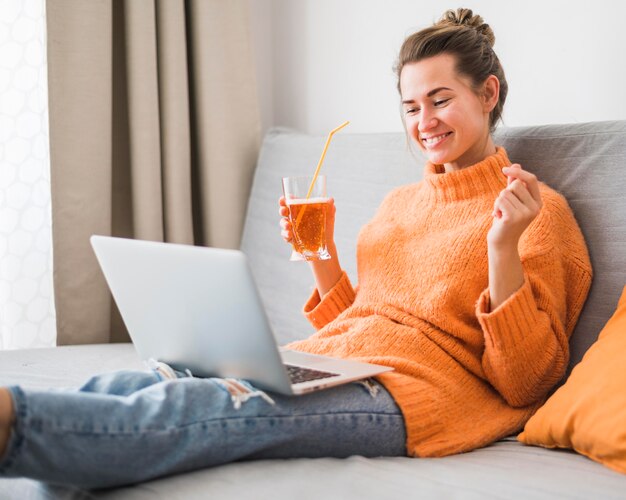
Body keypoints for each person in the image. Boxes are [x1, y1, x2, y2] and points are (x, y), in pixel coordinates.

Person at [0, 8, 592, 489]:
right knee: (159, 376)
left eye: (440, 100)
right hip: (336, 362)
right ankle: (44, 434)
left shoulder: (537, 214)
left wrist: (502, 248)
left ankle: (15, 423)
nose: (424, 122)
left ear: (487, 93)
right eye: (410, 107)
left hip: (420, 395)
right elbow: (363, 323)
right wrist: (319, 254)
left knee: (224, 409)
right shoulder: (398, 205)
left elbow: (527, 385)